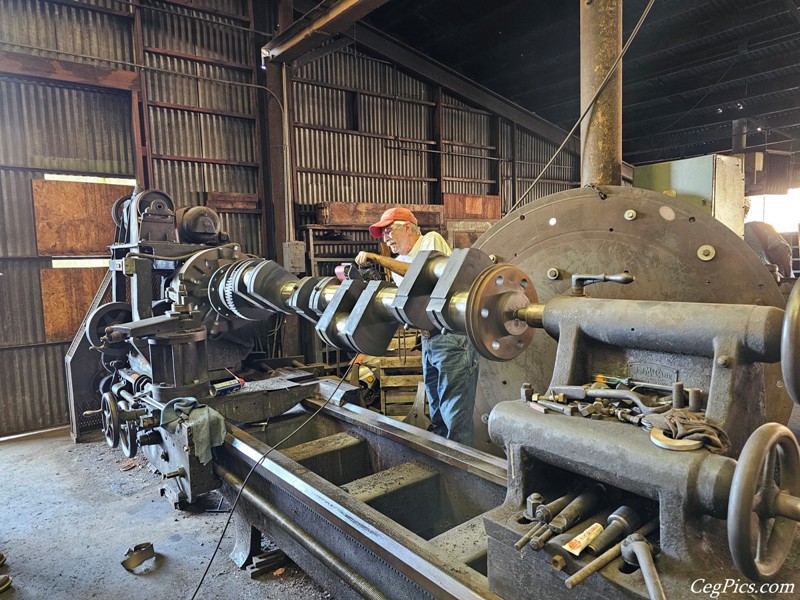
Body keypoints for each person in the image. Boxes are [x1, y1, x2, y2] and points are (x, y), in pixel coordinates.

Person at [355, 207, 479, 446]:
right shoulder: (400, 262)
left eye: (389, 231)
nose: (386, 238)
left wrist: (379, 259)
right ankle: (446, 464)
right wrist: (373, 279)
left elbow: (422, 274)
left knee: (455, 417)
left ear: (409, 228)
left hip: (452, 337)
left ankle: (463, 472)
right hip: (429, 340)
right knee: (437, 412)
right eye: (382, 236)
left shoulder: (431, 240)